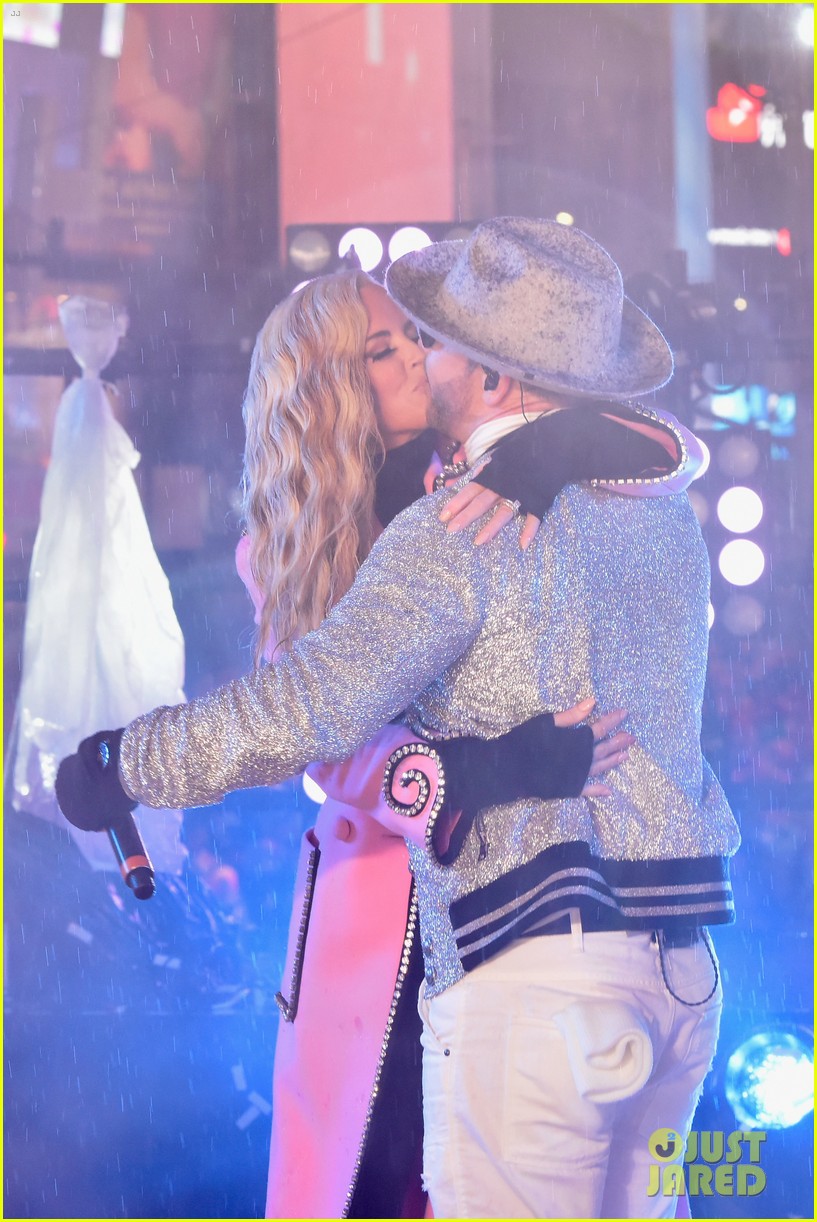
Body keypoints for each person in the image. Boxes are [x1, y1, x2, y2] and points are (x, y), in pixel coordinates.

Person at [56, 224, 734, 1220]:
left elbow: (657, 444)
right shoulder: (313, 542)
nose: (420, 351)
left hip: (528, 919)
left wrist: (550, 443)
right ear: (332, 385)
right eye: (388, 344)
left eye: (428, 335)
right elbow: (319, 727)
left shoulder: (482, 494)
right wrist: (458, 773)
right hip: (423, 908)